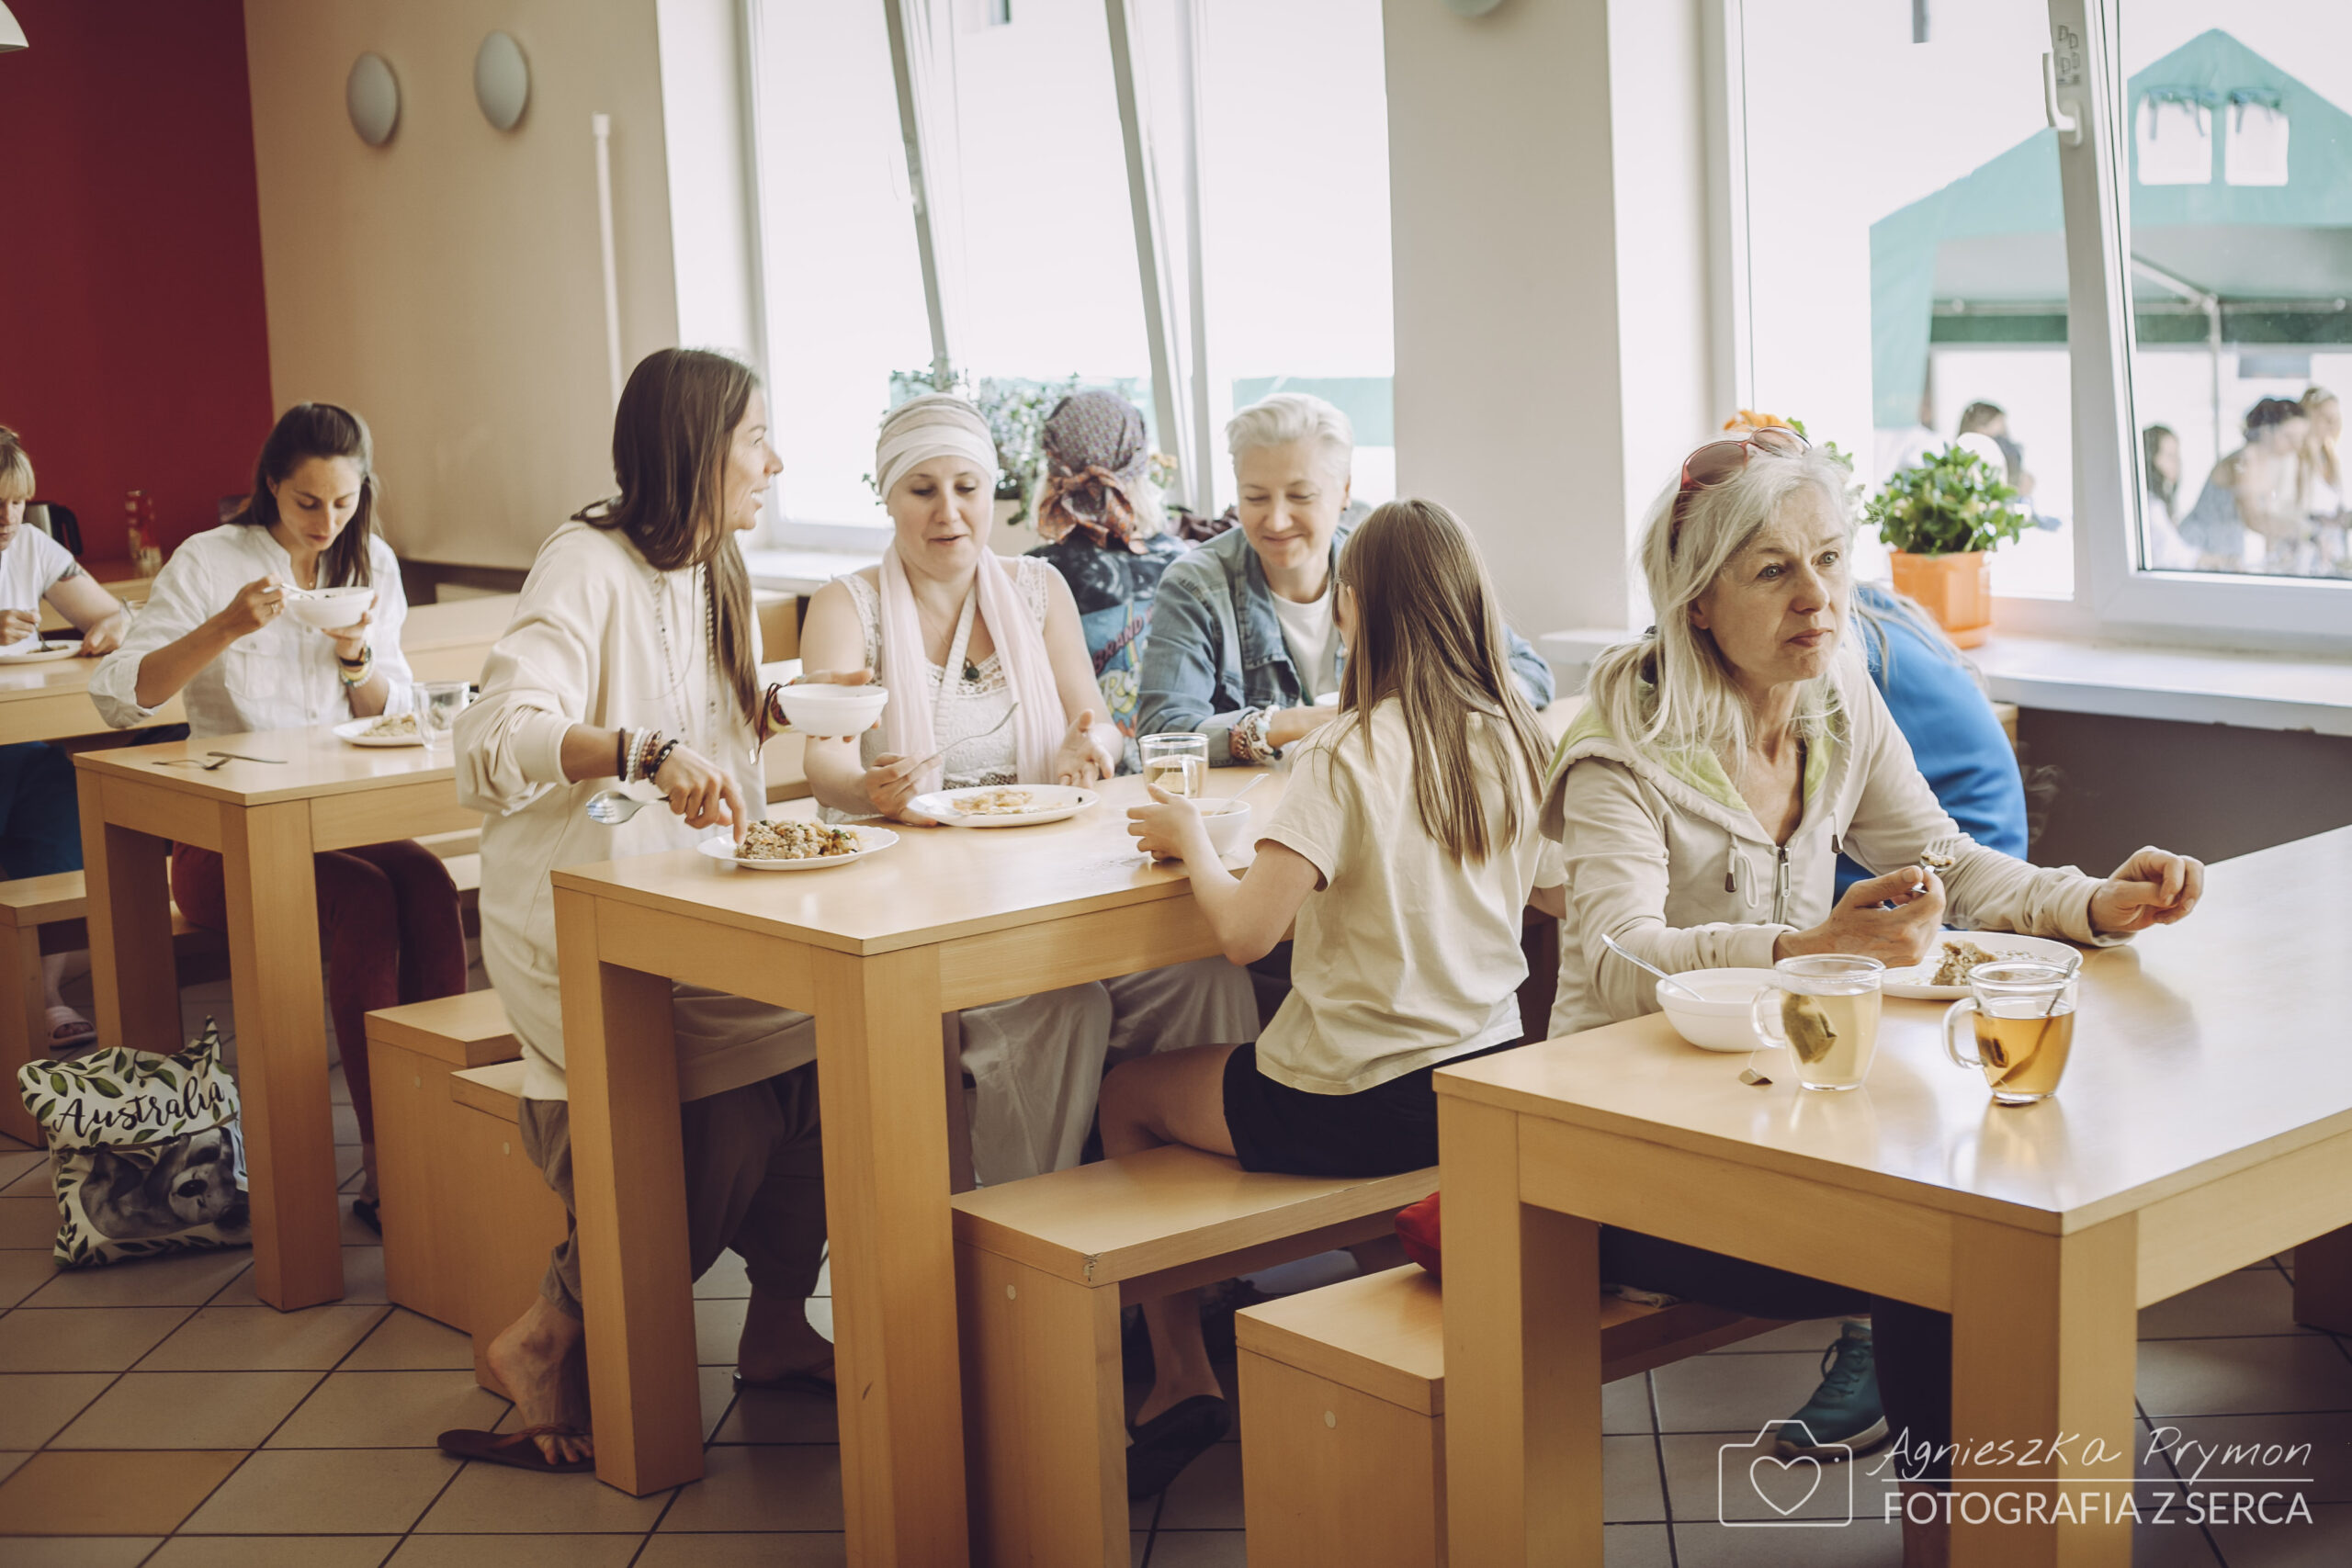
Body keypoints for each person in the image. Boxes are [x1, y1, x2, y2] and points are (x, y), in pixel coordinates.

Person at [1548, 423, 2205, 1562]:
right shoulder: (1622, 745)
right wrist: (1801, 944)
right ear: (1697, 600)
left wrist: (2092, 902)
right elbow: (1616, 956)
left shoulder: (1834, 693)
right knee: (1941, 1254)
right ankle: (1948, 1545)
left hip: (1779, 1110)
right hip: (1618, 1152)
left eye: (1831, 559)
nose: (1819, 599)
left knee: (1960, 1229)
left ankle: (1948, 1542)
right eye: (1773, 571)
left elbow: (1945, 858)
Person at [1112, 497, 1562, 1497]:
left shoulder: (1344, 751)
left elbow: (1241, 936)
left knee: (1129, 1095)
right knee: (1373, 1146)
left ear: (1355, 612)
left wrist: (1188, 836)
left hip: (1353, 1103)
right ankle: (1389, 1313)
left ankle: (1180, 1372)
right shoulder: (1516, 738)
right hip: (1479, 1086)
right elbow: (1555, 893)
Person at [441, 348, 832, 1472]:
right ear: (696, 450)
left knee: (826, 1060)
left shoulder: (717, 565)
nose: (774, 462)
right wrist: (638, 750)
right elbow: (492, 738)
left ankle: (774, 1327)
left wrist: (773, 712)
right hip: (579, 919)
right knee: (719, 1114)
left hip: (694, 906)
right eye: (756, 439)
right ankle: (549, 1330)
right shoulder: (584, 561)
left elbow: (714, 733)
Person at [797, 392, 1257, 1185]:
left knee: (1204, 976)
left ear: (994, 493)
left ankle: (1194, 1263)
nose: (949, 512)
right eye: (923, 490)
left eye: (967, 488)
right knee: (1062, 1009)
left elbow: (1099, 726)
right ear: (888, 497)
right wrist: (871, 788)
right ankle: (1030, 1259)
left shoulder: (1039, 589)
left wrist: (1093, 742)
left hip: (1057, 892)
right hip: (930, 917)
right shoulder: (849, 605)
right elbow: (821, 763)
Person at [90, 404, 465, 1231]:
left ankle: (444, 1128)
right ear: (271, 484)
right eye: (307, 502)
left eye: (344, 501)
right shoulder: (208, 560)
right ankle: (389, 1165)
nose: (327, 523)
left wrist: (356, 656)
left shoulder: (370, 563)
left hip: (337, 821)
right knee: (364, 901)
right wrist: (226, 624)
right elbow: (122, 695)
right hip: (222, 843)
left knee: (430, 886)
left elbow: (395, 703)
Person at [1136, 392, 1555, 767]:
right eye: (1255, 497)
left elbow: (1526, 672)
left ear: (1345, 491)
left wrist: (1440, 699)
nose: (1277, 520)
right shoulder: (1195, 584)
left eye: (1301, 495)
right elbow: (1163, 736)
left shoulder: (1387, 564)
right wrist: (1300, 722)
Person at [0, 426, 133, 1048]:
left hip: (26, 739)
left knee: (63, 796)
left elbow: (113, 611)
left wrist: (108, 627)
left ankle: (45, 993)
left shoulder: (31, 544)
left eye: (19, 500)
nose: (9, 516)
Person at [1025, 389, 1191, 773]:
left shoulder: (1034, 577)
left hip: (1079, 780)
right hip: (1179, 776)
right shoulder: (1184, 563)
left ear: (1052, 468)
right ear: (1139, 464)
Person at [2179, 398, 2311, 570]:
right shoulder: (2244, 461)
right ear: (2266, 431)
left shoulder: (2271, 463)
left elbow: (2266, 517)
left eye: (2300, 438)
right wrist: (2301, 532)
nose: (2296, 445)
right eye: (2289, 437)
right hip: (2200, 547)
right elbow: (2253, 518)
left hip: (2227, 549)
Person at [2141, 423, 2200, 570]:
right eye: (2170, 456)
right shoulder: (2151, 506)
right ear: (2151, 457)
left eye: (2177, 456)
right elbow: (2175, 556)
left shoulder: (2163, 504)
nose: (2177, 463)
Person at [2301, 387, 2344, 574]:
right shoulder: (2299, 459)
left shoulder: (2330, 457)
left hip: (2332, 553)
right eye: (2325, 417)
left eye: (2335, 417)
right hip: (2307, 553)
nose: (2332, 423)